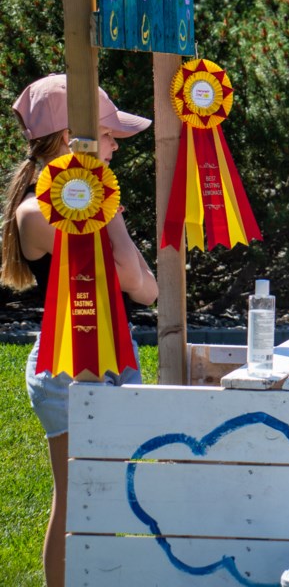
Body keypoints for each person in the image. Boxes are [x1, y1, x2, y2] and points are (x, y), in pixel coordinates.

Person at [1, 74, 158, 587]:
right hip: (67, 367)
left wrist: (101, 198)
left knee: (105, 501)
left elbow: (149, 292)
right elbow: (138, 281)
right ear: (75, 138)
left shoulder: (82, 199)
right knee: (77, 501)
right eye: (109, 136)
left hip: (110, 357)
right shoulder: (35, 213)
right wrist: (107, 208)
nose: (115, 148)